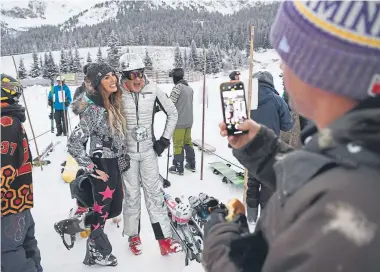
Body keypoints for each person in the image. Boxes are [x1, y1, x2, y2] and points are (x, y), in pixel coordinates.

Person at [202, 1, 380, 271]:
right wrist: (262, 149)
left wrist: (219, 242)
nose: (282, 71)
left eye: (285, 57)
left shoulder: (345, 213)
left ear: (319, 71)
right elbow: (322, 178)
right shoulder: (357, 150)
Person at [54, 63, 130, 266]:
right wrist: (91, 168)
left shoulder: (112, 103)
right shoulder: (93, 110)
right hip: (101, 164)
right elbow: (74, 143)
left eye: (113, 74)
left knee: (113, 209)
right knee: (103, 212)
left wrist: (122, 155)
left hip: (113, 163)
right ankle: (98, 251)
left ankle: (77, 229)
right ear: (97, 83)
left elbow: (117, 135)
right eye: (106, 77)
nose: (113, 79)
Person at [119, 53, 181, 256]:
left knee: (154, 196)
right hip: (127, 154)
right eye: (132, 75)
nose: (138, 79)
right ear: (124, 76)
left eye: (141, 73)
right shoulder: (117, 93)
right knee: (132, 197)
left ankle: (164, 240)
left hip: (147, 152)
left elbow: (173, 113)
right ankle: (133, 236)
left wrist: (164, 140)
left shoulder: (153, 88)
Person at [1, 74, 43, 272]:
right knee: (26, 245)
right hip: (19, 199)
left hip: (8, 202)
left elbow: (5, 167)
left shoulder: (5, 123)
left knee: (9, 251)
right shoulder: (12, 120)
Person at [246, 70, 293, 223]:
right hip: (270, 148)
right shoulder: (277, 100)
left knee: (252, 183)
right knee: (267, 186)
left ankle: (251, 218)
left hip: (251, 147)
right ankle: (264, 221)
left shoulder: (248, 100)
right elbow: (287, 125)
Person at [167, 67, 196, 175]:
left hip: (179, 122)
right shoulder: (189, 88)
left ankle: (178, 167)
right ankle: (191, 164)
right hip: (189, 120)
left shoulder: (177, 88)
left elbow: (170, 104)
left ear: (175, 77)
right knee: (187, 142)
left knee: (178, 144)